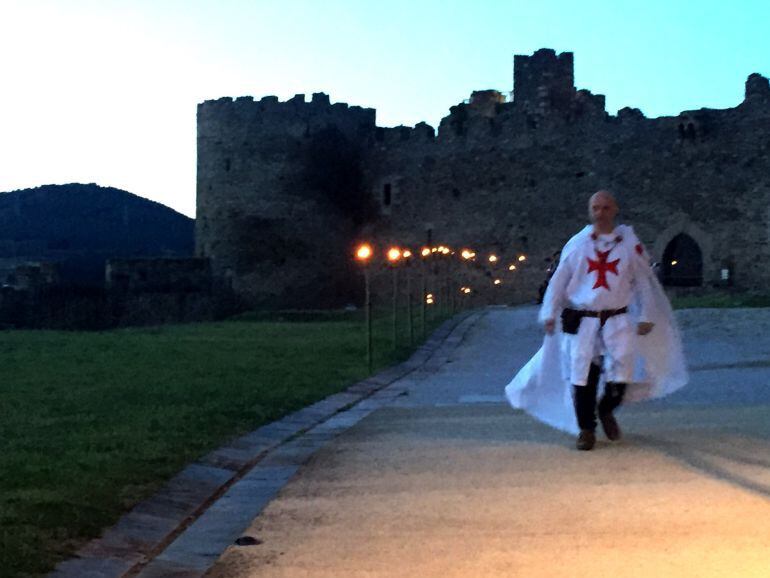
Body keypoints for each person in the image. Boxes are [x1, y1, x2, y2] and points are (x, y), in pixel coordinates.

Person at [505, 190, 688, 450]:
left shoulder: (628, 245)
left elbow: (643, 282)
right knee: (582, 376)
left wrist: (646, 314)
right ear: (590, 211)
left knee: (622, 374)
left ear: (614, 210)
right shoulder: (579, 244)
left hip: (617, 319)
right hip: (583, 321)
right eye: (595, 208)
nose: (600, 212)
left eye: (605, 207)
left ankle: (606, 410)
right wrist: (549, 312)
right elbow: (560, 280)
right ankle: (586, 430)